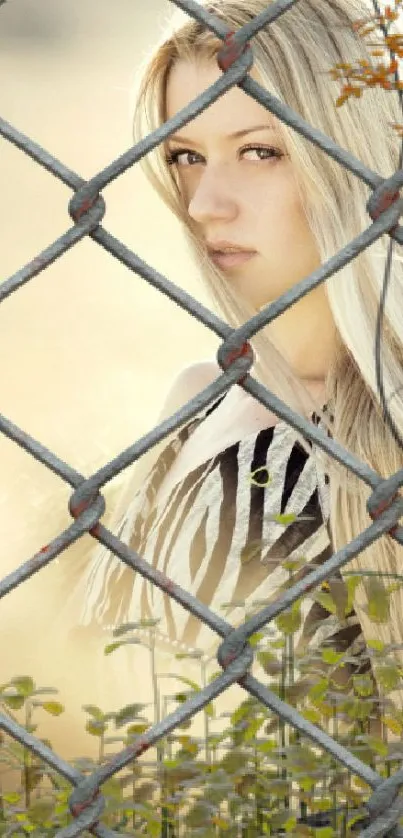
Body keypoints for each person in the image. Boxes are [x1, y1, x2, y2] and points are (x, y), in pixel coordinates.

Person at [60, 0, 403, 827]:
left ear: (350, 157)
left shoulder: (384, 433)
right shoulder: (196, 399)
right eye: (184, 155)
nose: (205, 202)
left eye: (260, 151)